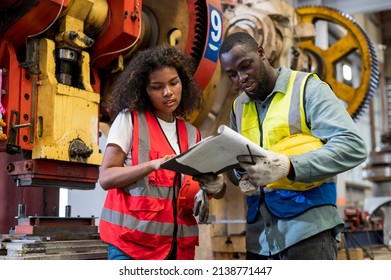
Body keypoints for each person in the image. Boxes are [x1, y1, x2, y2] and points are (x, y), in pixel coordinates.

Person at [219, 32, 368, 260]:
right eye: (232, 75)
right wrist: (234, 172)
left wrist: (289, 166)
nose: (241, 78)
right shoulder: (238, 106)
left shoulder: (308, 89)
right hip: (260, 240)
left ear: (261, 53)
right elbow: (234, 169)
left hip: (308, 232)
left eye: (245, 66)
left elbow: (353, 146)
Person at [98, 45, 226, 260]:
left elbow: (200, 191)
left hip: (177, 250)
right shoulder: (130, 120)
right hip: (133, 247)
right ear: (144, 90)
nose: (168, 92)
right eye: (157, 87)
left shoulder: (191, 134)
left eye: (174, 83)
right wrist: (151, 165)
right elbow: (106, 177)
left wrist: (215, 187)